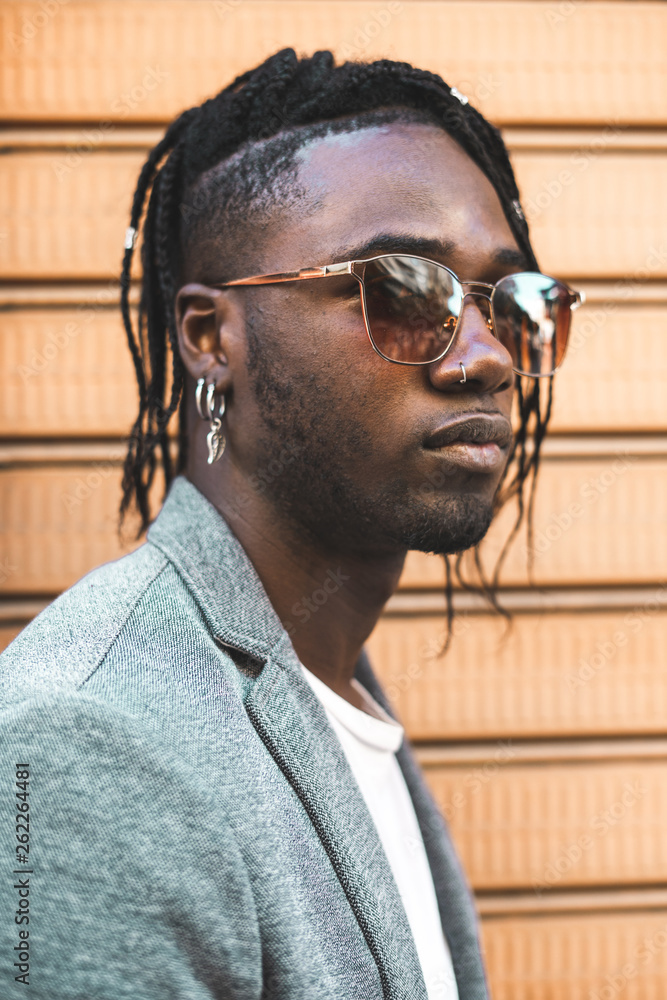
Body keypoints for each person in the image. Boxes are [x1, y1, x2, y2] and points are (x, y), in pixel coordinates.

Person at [0, 49, 582, 1000]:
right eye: (403, 290)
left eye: (511, 302)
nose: (485, 358)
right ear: (208, 337)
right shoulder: (92, 744)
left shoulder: (326, 685)